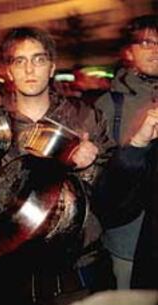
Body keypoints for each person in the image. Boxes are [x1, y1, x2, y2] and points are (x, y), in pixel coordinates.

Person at [0, 26, 115, 305]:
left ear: (52, 67)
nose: (30, 69)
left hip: (77, 279)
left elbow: (115, 196)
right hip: (12, 285)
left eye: (39, 59)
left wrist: (89, 166)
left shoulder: (85, 118)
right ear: (9, 71)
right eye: (20, 61)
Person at [94, 14, 158, 290]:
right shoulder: (109, 106)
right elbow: (98, 180)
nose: (156, 49)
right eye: (146, 42)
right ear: (128, 52)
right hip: (128, 244)